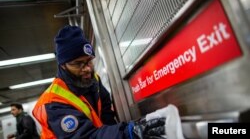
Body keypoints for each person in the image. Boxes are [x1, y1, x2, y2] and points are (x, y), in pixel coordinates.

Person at [32, 25, 166, 139]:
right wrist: (128, 132)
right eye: (78, 64)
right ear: (63, 65)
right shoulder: (52, 102)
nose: (87, 69)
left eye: (89, 61)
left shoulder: (93, 79)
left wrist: (122, 131)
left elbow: (106, 114)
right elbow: (85, 136)